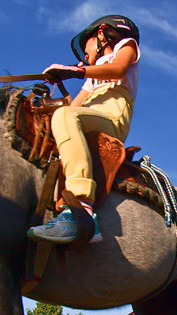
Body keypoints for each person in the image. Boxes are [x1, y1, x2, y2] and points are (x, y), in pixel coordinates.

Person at [27, 14, 140, 245]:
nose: (84, 54)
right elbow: (73, 107)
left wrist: (75, 71)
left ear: (101, 34)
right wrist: (44, 102)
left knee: (66, 116)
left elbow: (118, 69)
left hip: (112, 117)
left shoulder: (125, 46)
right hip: (88, 115)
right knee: (60, 119)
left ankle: (81, 207)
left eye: (85, 46)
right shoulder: (92, 77)